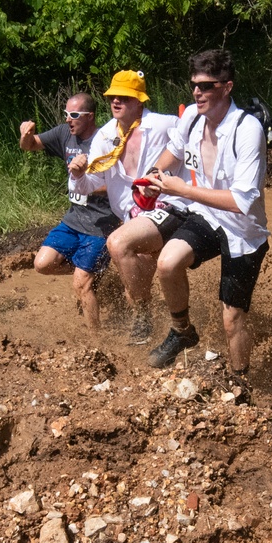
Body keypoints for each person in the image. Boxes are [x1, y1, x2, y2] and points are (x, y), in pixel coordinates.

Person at [143, 49, 269, 376]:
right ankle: (181, 331)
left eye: (207, 86)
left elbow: (240, 202)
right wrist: (153, 174)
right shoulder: (192, 117)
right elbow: (173, 151)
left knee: (232, 320)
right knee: (167, 263)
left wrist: (182, 190)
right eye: (194, 86)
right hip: (208, 215)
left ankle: (242, 382)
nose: (198, 93)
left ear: (227, 87)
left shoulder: (247, 129)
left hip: (244, 231)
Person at [65, 70, 184, 343]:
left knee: (118, 244)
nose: (116, 102)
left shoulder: (164, 125)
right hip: (131, 217)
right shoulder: (105, 136)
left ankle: (145, 316)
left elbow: (196, 139)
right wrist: (79, 174)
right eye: (113, 97)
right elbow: (86, 187)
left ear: (140, 101)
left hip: (167, 207)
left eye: (125, 98)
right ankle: (164, 330)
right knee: (138, 283)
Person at [19, 93, 119, 332]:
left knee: (81, 284)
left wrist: (84, 182)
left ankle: (98, 343)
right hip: (74, 218)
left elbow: (119, 187)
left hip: (101, 223)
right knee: (43, 264)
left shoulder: (106, 141)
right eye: (66, 114)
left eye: (74, 115)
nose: (68, 120)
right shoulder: (66, 134)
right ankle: (92, 275)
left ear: (90, 117)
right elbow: (30, 146)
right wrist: (26, 135)